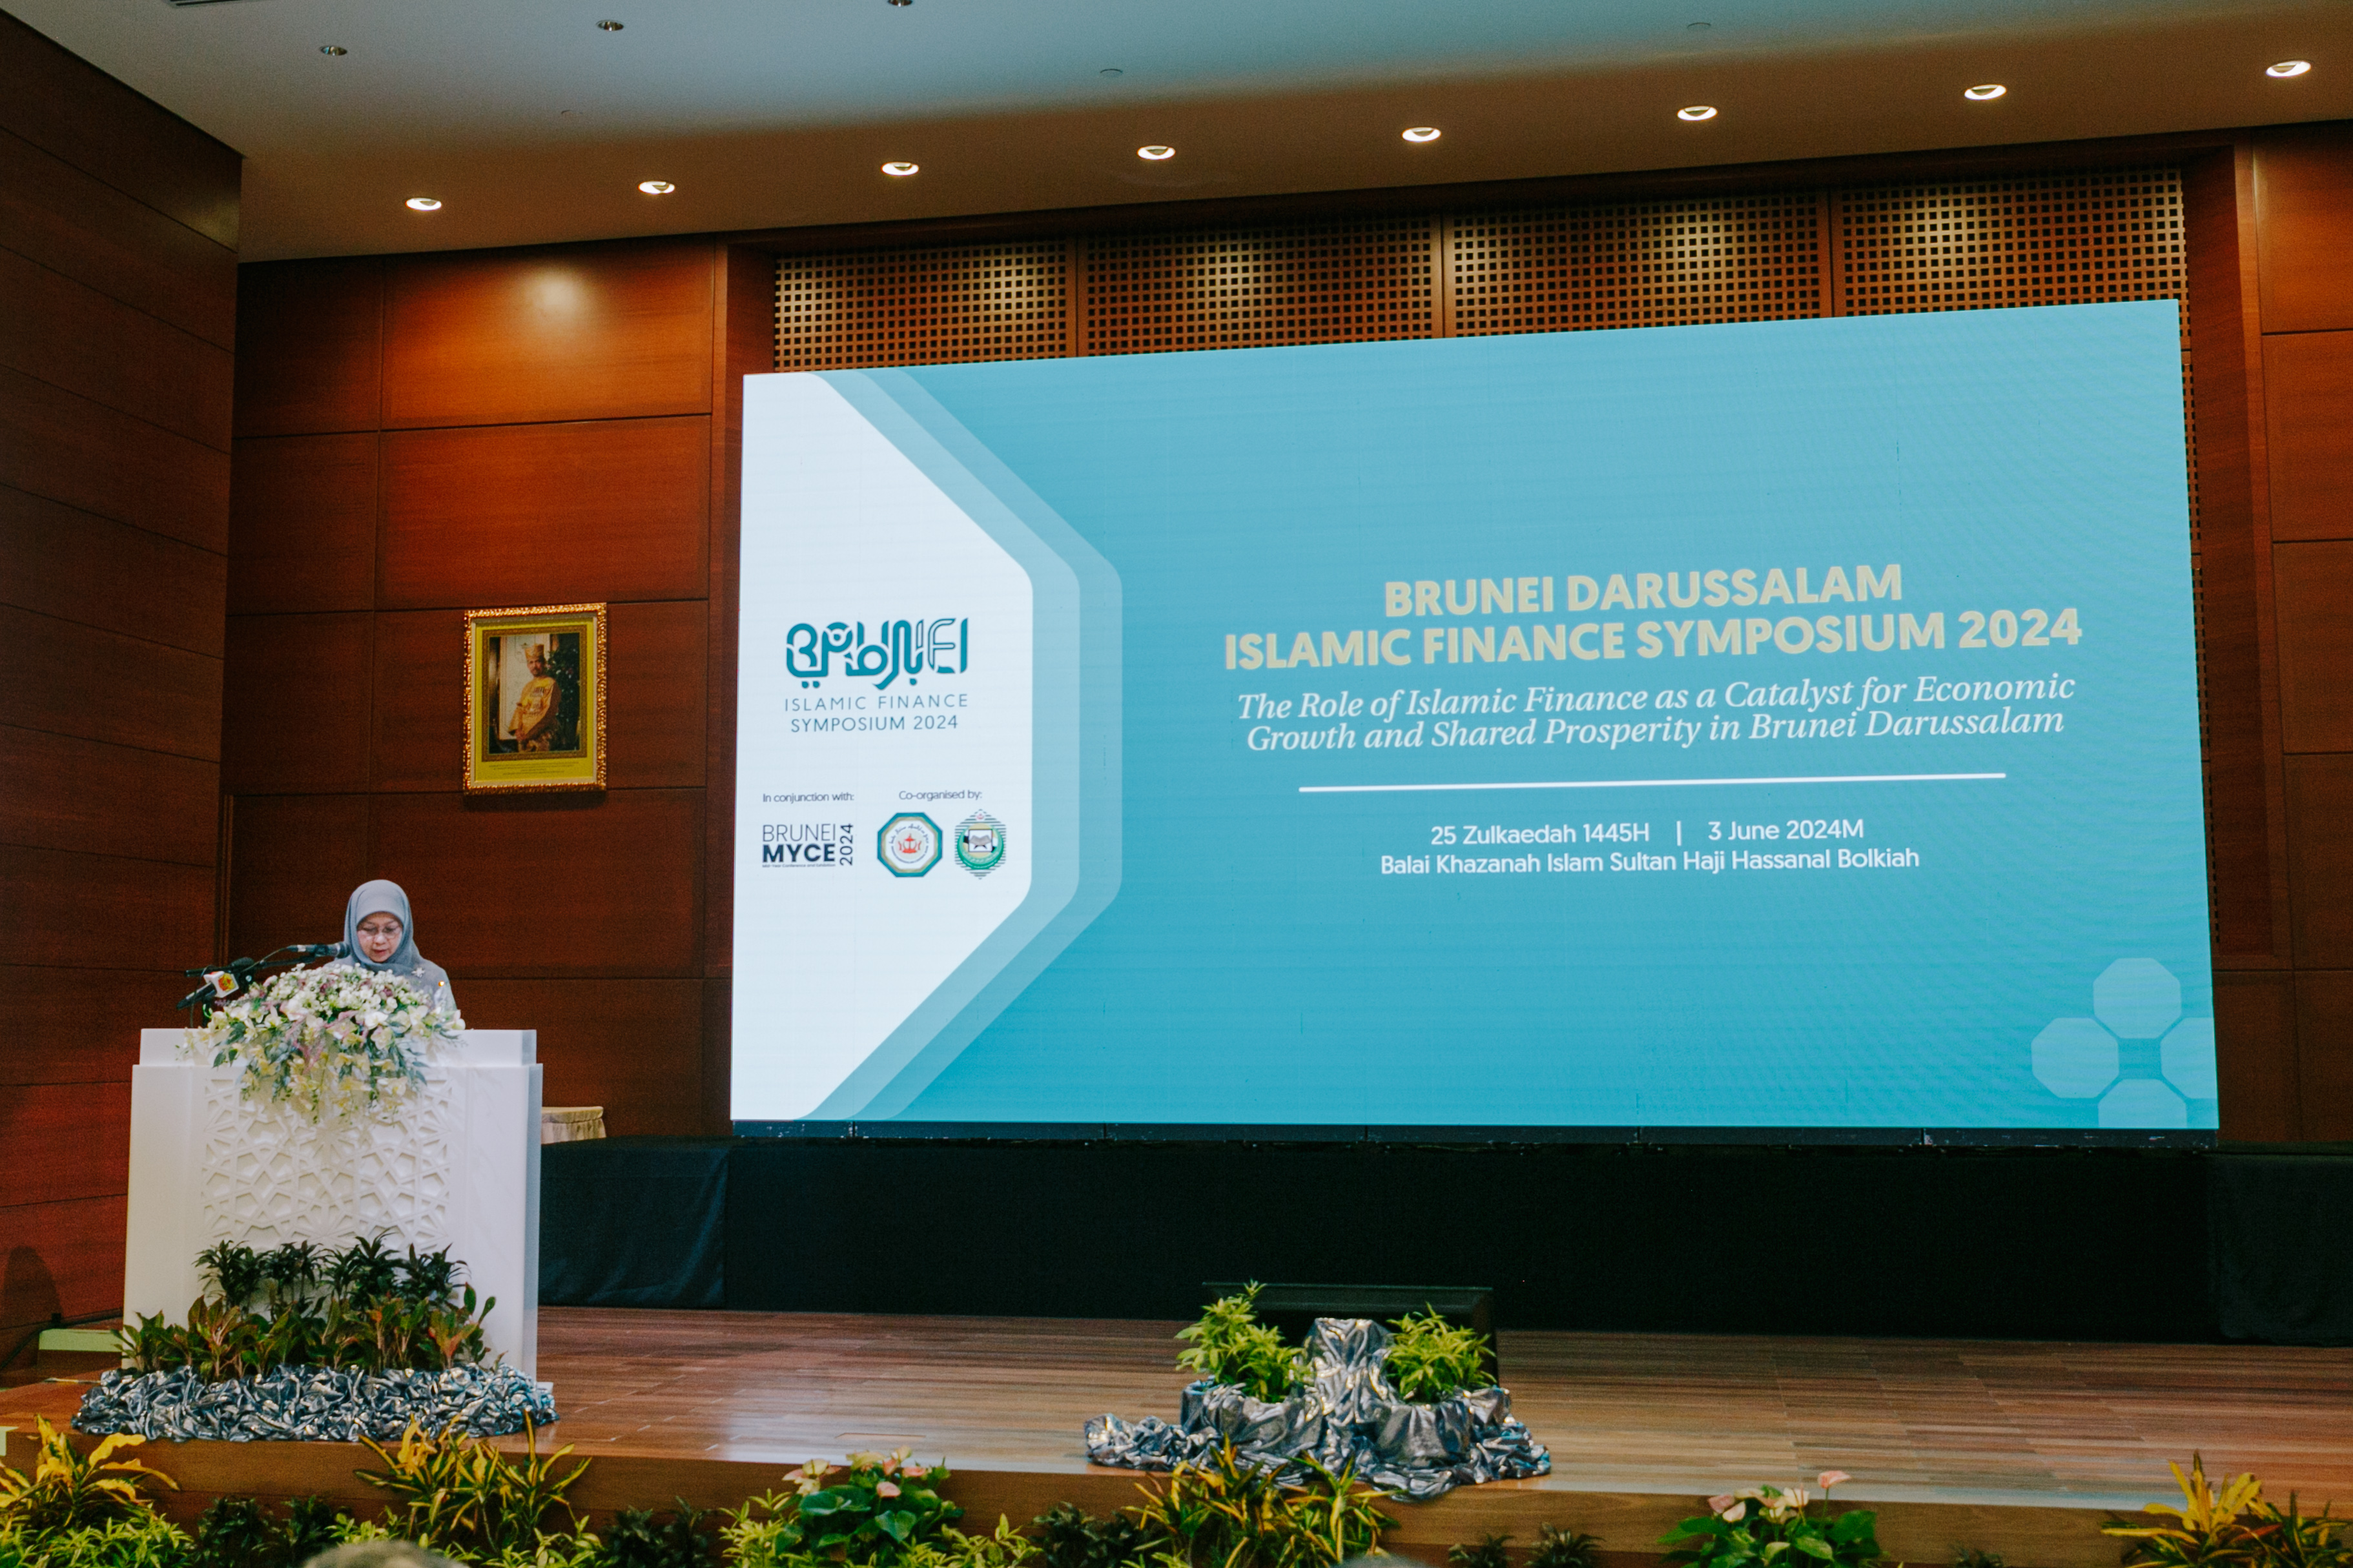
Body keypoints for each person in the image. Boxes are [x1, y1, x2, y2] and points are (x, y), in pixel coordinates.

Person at [340, 880, 457, 1015]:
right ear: (353, 929)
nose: (380, 940)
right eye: (369, 929)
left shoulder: (432, 977)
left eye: (390, 929)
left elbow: (448, 1026)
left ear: (405, 929)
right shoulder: (333, 978)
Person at [508, 642, 560, 752]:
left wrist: (529, 734)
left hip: (543, 737)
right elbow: (520, 709)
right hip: (524, 739)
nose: (534, 666)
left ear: (544, 663)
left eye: (538, 662)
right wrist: (518, 730)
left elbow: (548, 712)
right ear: (528, 666)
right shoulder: (528, 687)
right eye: (531, 662)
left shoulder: (551, 684)